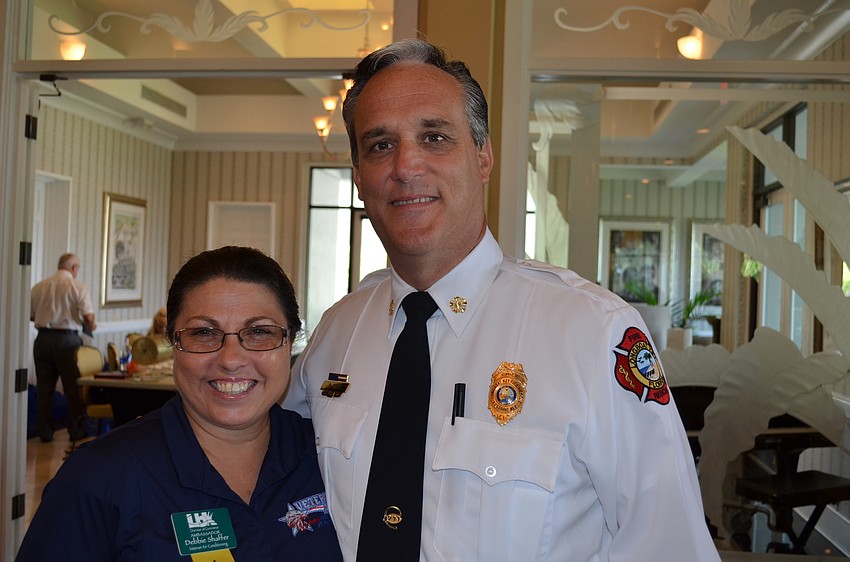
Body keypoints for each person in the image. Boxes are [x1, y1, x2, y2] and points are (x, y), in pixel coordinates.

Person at [283, 39, 720, 561]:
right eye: (380, 145)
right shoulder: (336, 334)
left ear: (483, 157)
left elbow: (669, 547)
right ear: (358, 178)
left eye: (435, 137)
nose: (407, 165)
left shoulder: (592, 332)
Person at [18, 246, 343, 561]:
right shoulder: (98, 480)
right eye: (203, 333)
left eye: (259, 331)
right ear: (173, 343)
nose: (231, 360)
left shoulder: (328, 457)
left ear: (292, 342)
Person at [30, 252, 97, 443]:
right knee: (72, 388)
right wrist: (91, 326)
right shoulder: (78, 287)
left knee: (44, 390)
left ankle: (45, 432)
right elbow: (88, 317)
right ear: (74, 268)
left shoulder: (39, 287)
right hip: (68, 342)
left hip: (42, 340)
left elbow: (31, 315)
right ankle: (75, 431)